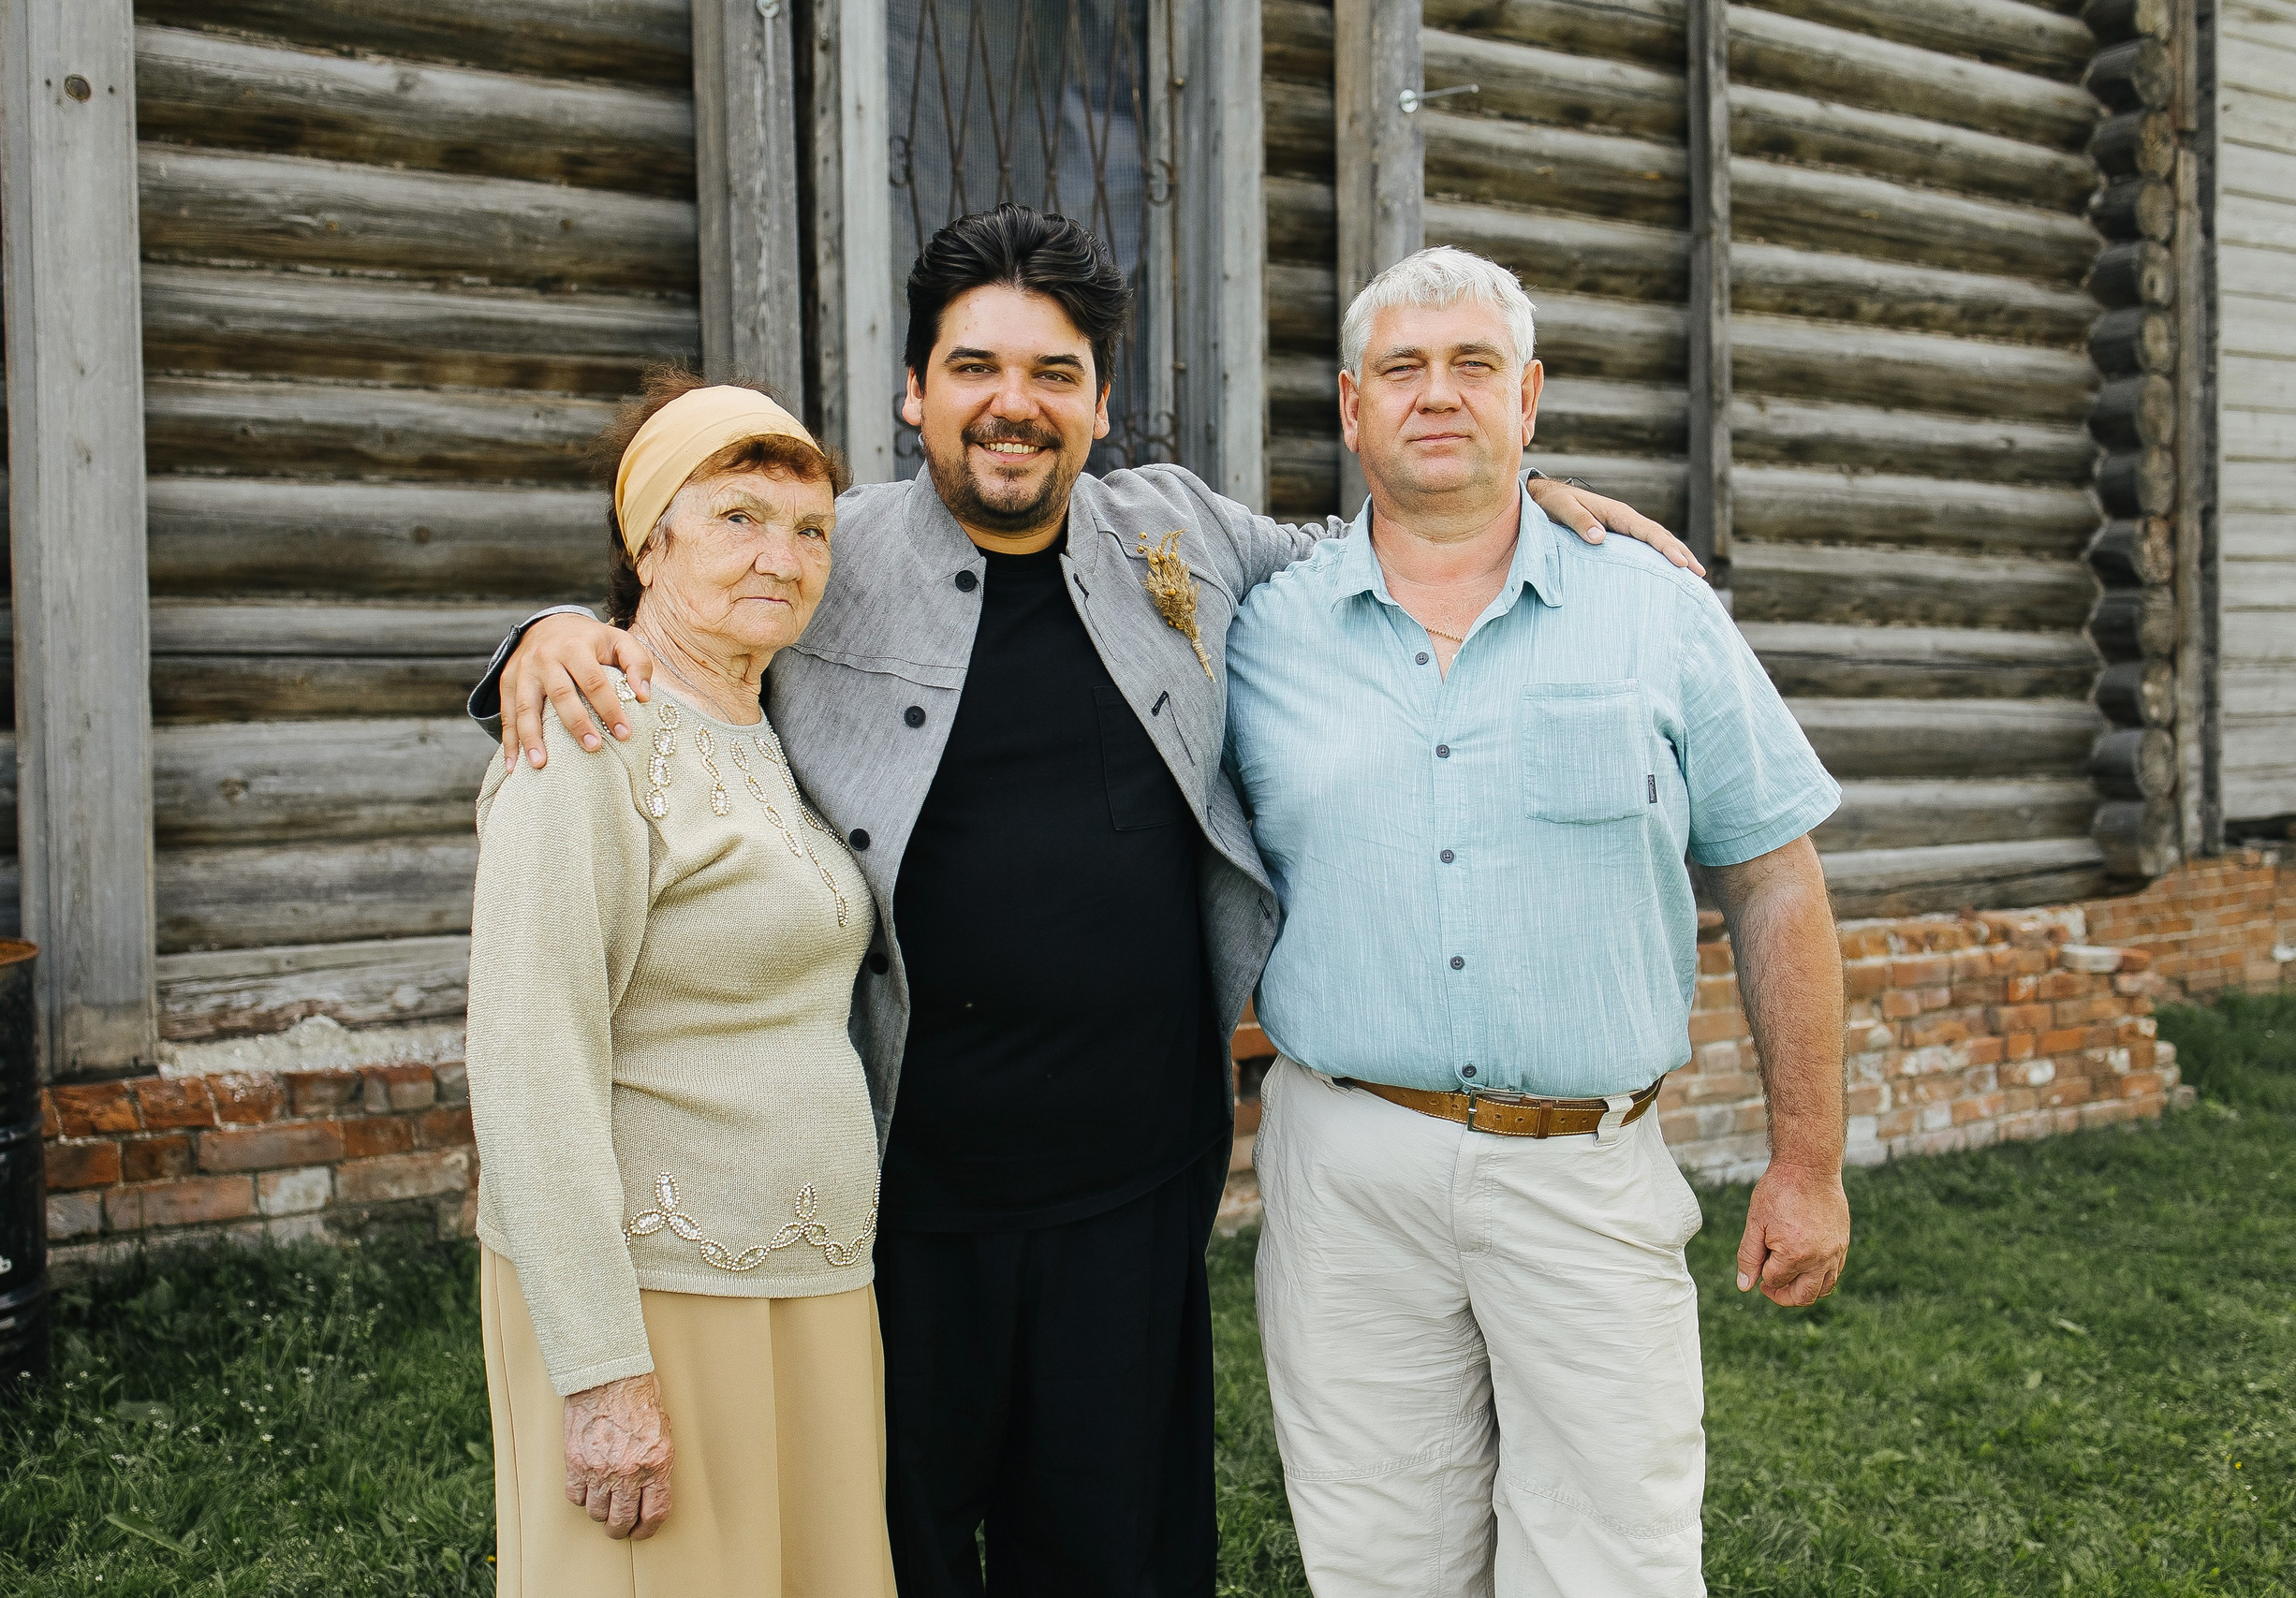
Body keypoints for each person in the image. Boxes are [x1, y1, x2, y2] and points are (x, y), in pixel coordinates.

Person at [471, 206, 1694, 1598]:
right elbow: (674, 599)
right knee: (897, 1549)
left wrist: (1527, 505)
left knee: (1117, 1555)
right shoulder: (830, 545)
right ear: (915, 392)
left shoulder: (1180, 532)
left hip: (1135, 1180)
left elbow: (1377, 566)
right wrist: (546, 631)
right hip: (904, 1194)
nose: (1015, 405)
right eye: (976, 367)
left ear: (1101, 403)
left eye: (1055, 373)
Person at [1224, 246, 1851, 1597]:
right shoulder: (1257, 629)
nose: (1435, 396)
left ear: (1531, 397)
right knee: (1379, 1557)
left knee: (1614, 1562)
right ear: (1348, 406)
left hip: (1584, 1171)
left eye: (1473, 367)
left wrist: (1809, 1161)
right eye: (1402, 368)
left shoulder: (1655, 612)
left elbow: (1774, 876)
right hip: (1345, 1166)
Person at [468, 376, 895, 1597]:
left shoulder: (773, 730)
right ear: (649, 544)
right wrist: (601, 1368)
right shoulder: (588, 732)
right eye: (738, 517)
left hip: (807, 1283)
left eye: (812, 529)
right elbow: (527, 1058)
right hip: (661, 1295)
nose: (783, 555)